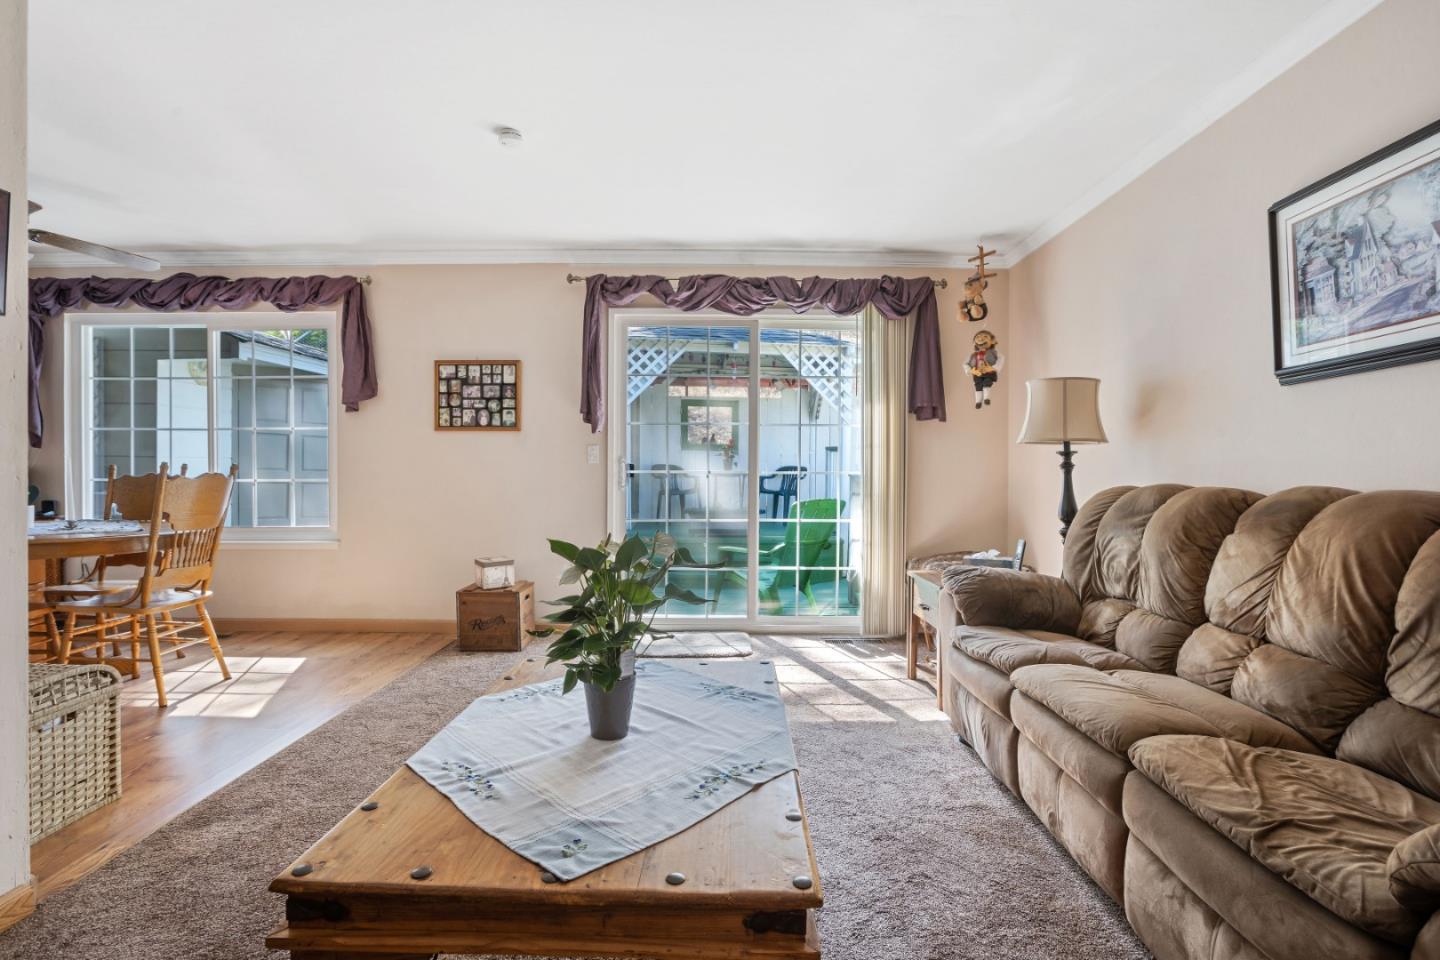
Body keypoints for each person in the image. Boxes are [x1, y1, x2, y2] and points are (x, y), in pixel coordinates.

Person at [965, 329, 1002, 409]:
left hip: (988, 372)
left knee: (987, 383)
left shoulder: (994, 353)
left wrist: (993, 368)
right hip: (977, 373)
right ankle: (978, 401)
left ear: (992, 341)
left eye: (985, 336)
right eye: (978, 337)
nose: (981, 339)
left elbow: (1000, 359)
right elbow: (965, 364)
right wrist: (971, 370)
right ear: (974, 342)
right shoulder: (973, 355)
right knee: (978, 386)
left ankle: (986, 398)